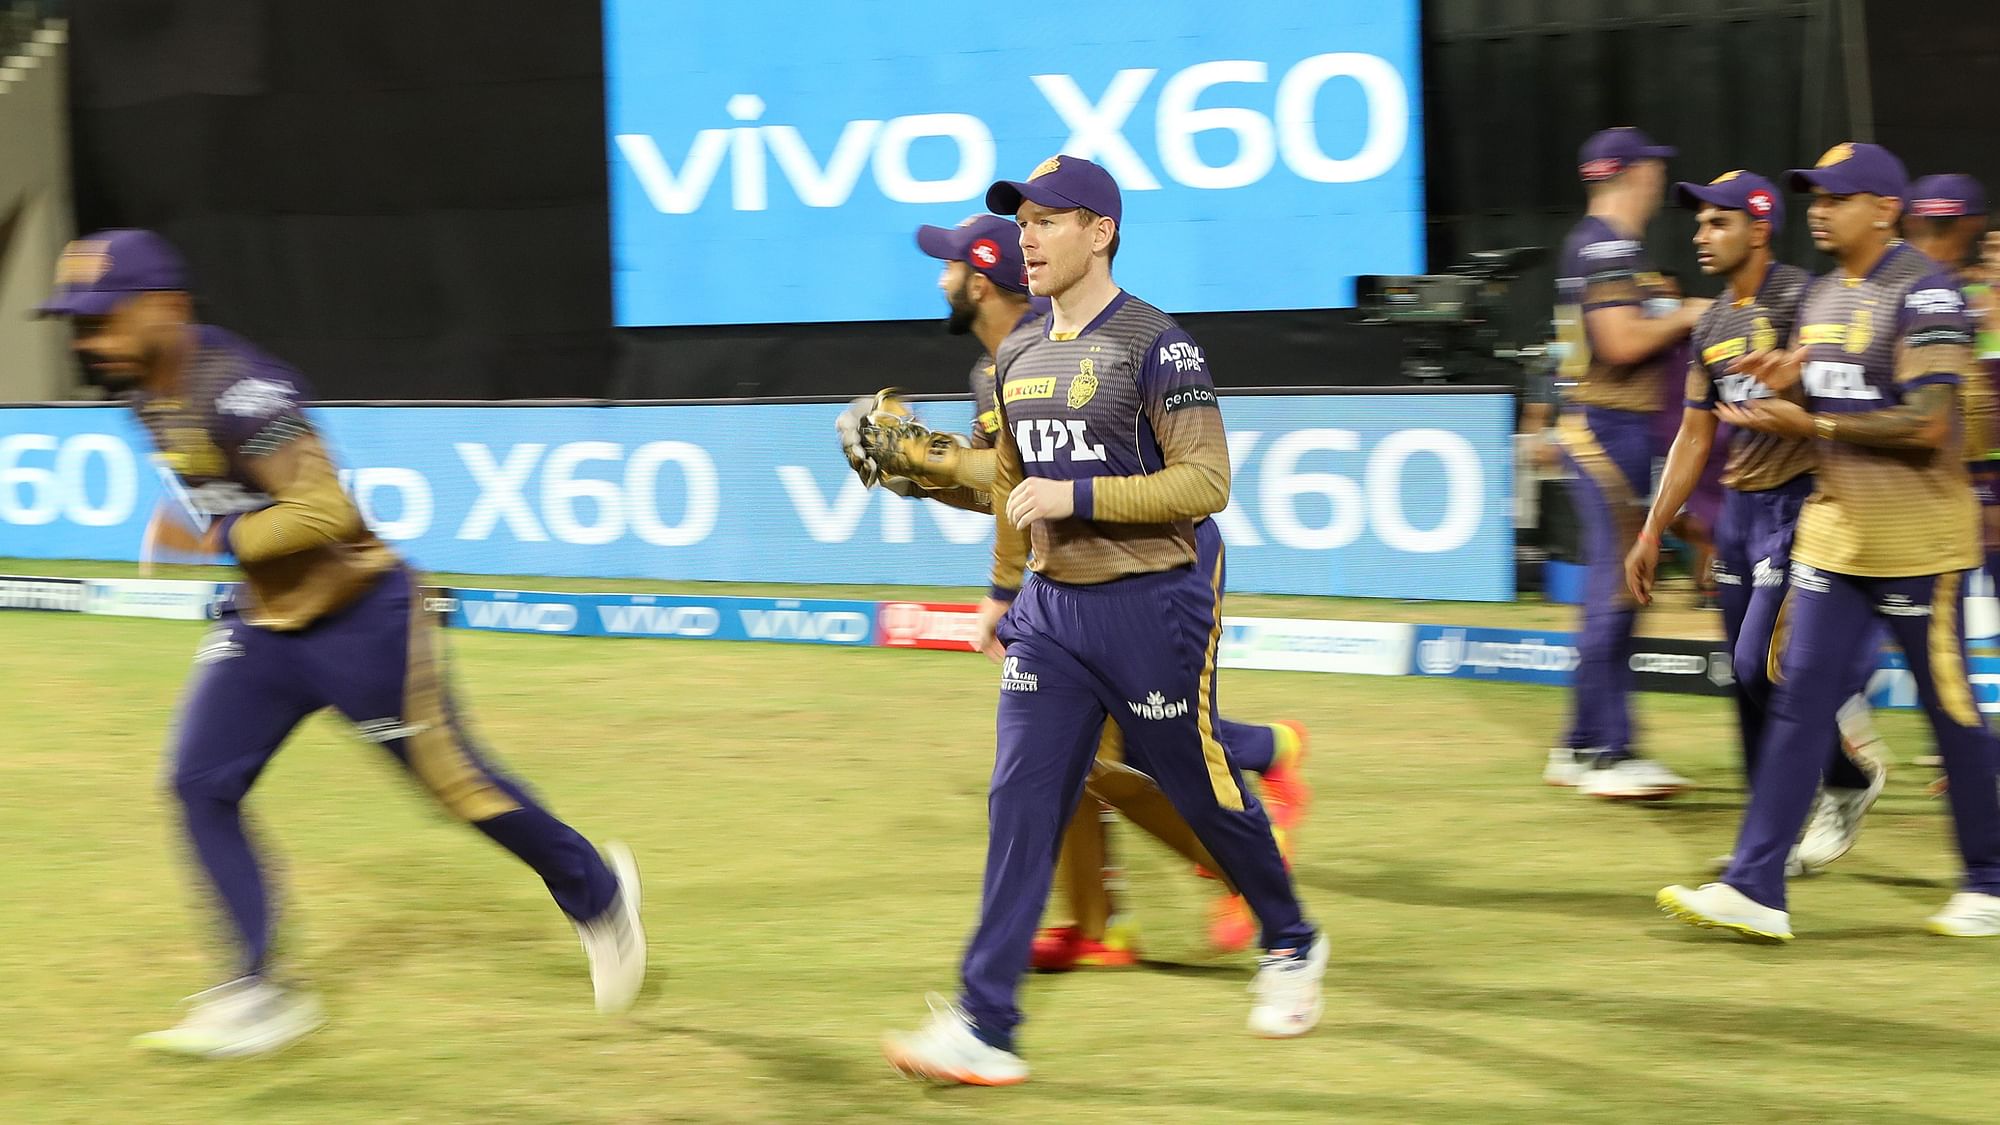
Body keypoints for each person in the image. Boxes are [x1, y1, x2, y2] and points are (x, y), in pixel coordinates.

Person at [35, 229, 645, 1057]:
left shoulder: (239, 389)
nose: (88, 338)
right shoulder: (146, 390)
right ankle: (255, 990)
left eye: (103, 317)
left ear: (167, 309)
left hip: (364, 622)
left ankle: (599, 893)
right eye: (79, 321)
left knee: (457, 788)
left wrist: (213, 538)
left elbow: (327, 511)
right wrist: (228, 547)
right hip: (268, 627)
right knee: (198, 782)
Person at [881, 156, 1324, 1086]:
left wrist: (1079, 490)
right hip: (1052, 615)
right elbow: (1012, 488)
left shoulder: (1159, 345)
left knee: (1198, 789)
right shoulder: (1017, 353)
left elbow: (1207, 482)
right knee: (1021, 800)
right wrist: (1005, 594)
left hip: (1154, 602)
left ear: (1101, 231)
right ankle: (985, 1023)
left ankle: (1291, 939)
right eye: (1025, 221)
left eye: (1048, 220)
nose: (1029, 238)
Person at [1657, 143, 2000, 941]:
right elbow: (1832, 385)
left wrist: (1810, 418)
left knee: (1951, 713)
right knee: (1797, 696)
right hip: (1837, 537)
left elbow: (1928, 423)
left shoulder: (1928, 293)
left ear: (1885, 208)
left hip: (1922, 541)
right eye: (1813, 195)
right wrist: (1789, 378)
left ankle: (1989, 876)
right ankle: (1755, 887)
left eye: (1837, 197)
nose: (1819, 208)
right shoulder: (1817, 297)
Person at [1627, 171, 1887, 876]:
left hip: (1800, 501)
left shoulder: (1805, 298)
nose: (1700, 234)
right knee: (1741, 681)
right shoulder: (1712, 323)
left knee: (1760, 664)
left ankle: (1848, 777)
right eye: (1700, 223)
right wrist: (1656, 528)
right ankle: (1763, 842)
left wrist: (1801, 377)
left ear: (1760, 226)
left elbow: (1851, 389)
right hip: (1741, 511)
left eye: (1718, 223)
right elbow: (1693, 436)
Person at [1545, 128, 1713, 799]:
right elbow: (1619, 342)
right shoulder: (1610, 246)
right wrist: (1692, 313)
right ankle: (1612, 753)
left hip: (1603, 429)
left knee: (1616, 588)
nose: (1658, 185)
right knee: (1619, 590)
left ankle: (1580, 743)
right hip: (1606, 431)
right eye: (1654, 171)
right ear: (1635, 174)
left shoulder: (1593, 245)